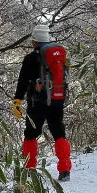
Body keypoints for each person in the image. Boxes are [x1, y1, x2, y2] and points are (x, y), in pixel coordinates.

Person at [12, 22, 71, 181]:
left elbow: (22, 81)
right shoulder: (59, 56)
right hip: (57, 100)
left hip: (37, 102)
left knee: (30, 134)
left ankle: (29, 168)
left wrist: (17, 100)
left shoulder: (30, 58)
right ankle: (65, 169)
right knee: (59, 132)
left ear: (35, 41)